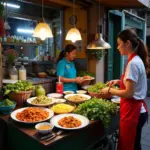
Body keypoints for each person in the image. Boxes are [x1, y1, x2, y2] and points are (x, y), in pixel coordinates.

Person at [101, 29, 149, 150]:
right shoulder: (136, 59)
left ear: (127, 43)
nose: (117, 47)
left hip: (134, 111)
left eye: (119, 43)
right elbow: (132, 83)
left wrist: (109, 90)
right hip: (137, 110)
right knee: (135, 144)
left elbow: (129, 93)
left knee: (129, 146)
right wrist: (118, 81)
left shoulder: (133, 63)